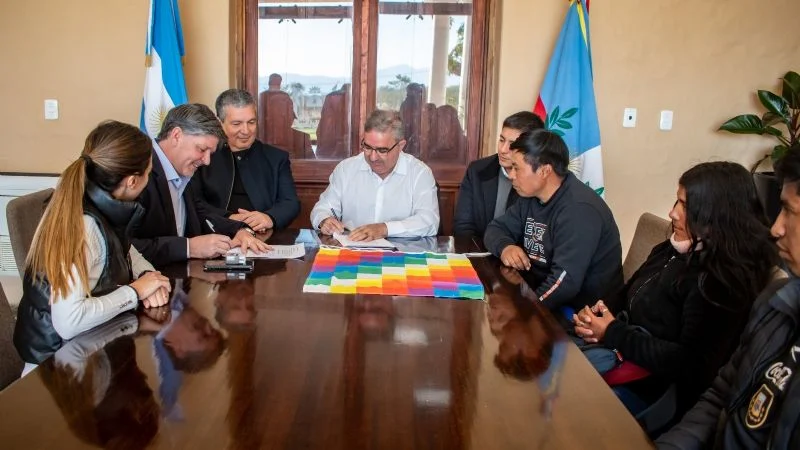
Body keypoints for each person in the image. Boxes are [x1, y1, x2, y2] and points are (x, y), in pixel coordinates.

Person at [573, 161, 780, 420]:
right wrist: (598, 315)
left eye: (685, 206)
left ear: (716, 214)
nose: (672, 213)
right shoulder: (674, 248)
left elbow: (690, 365)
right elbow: (628, 292)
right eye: (677, 201)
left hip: (654, 393)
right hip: (620, 358)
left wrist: (612, 332)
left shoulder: (722, 282)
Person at [655, 152, 800, 449]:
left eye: (788, 210)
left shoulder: (724, 281)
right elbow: (720, 396)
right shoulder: (775, 302)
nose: (776, 228)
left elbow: (690, 364)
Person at [14, 121, 172, 366]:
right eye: (149, 172)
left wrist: (150, 278)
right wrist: (136, 292)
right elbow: (69, 322)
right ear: (132, 181)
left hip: (90, 351)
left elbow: (130, 253)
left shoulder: (101, 203)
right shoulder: (85, 225)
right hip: (57, 369)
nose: (150, 178)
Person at [484, 129, 622, 312]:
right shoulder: (530, 197)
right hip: (541, 296)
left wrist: (526, 310)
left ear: (544, 170)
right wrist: (505, 247)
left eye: (517, 168)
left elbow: (564, 283)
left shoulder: (579, 209)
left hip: (582, 313)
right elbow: (495, 228)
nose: (511, 176)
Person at [131, 103, 269, 269]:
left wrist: (240, 230)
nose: (206, 161)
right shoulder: (138, 171)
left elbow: (200, 213)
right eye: (202, 149)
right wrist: (189, 247)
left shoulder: (183, 168)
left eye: (210, 153)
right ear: (176, 135)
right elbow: (124, 247)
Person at [310, 109, 440, 241]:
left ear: (401, 146)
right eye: (367, 147)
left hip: (402, 251)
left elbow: (429, 221)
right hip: (352, 248)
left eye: (382, 150)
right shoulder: (346, 169)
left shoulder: (419, 173)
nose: (373, 157)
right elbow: (322, 208)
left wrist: (384, 229)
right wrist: (324, 220)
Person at [38, 314, 160, 449]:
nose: (144, 377)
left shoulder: (89, 385)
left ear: (134, 412)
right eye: (146, 390)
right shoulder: (114, 383)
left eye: (143, 391)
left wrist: (137, 321)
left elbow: (80, 340)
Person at [192, 89, 301, 232]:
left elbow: (290, 203)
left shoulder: (276, 158)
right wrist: (228, 218)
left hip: (262, 236)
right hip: (214, 235)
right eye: (237, 124)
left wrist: (269, 218)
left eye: (251, 122)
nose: (246, 131)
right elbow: (194, 202)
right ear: (219, 123)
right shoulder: (204, 156)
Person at [453, 111, 545, 238]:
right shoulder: (477, 170)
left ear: (532, 147)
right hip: (478, 248)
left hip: (517, 250)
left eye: (512, 144)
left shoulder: (537, 177)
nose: (503, 149)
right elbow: (463, 226)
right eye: (502, 140)